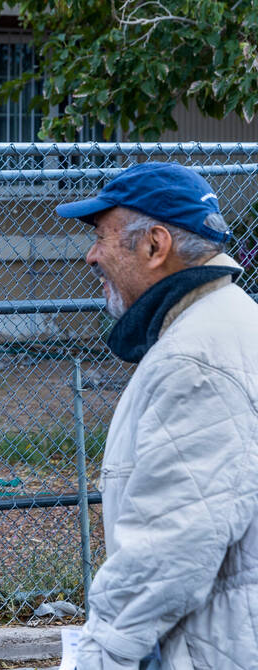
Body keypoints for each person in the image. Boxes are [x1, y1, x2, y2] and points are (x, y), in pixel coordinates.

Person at [54, 162, 258, 670]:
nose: (91, 255)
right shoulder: (222, 323)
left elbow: (170, 547)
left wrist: (101, 656)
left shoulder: (198, 359)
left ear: (155, 245)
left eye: (102, 236)